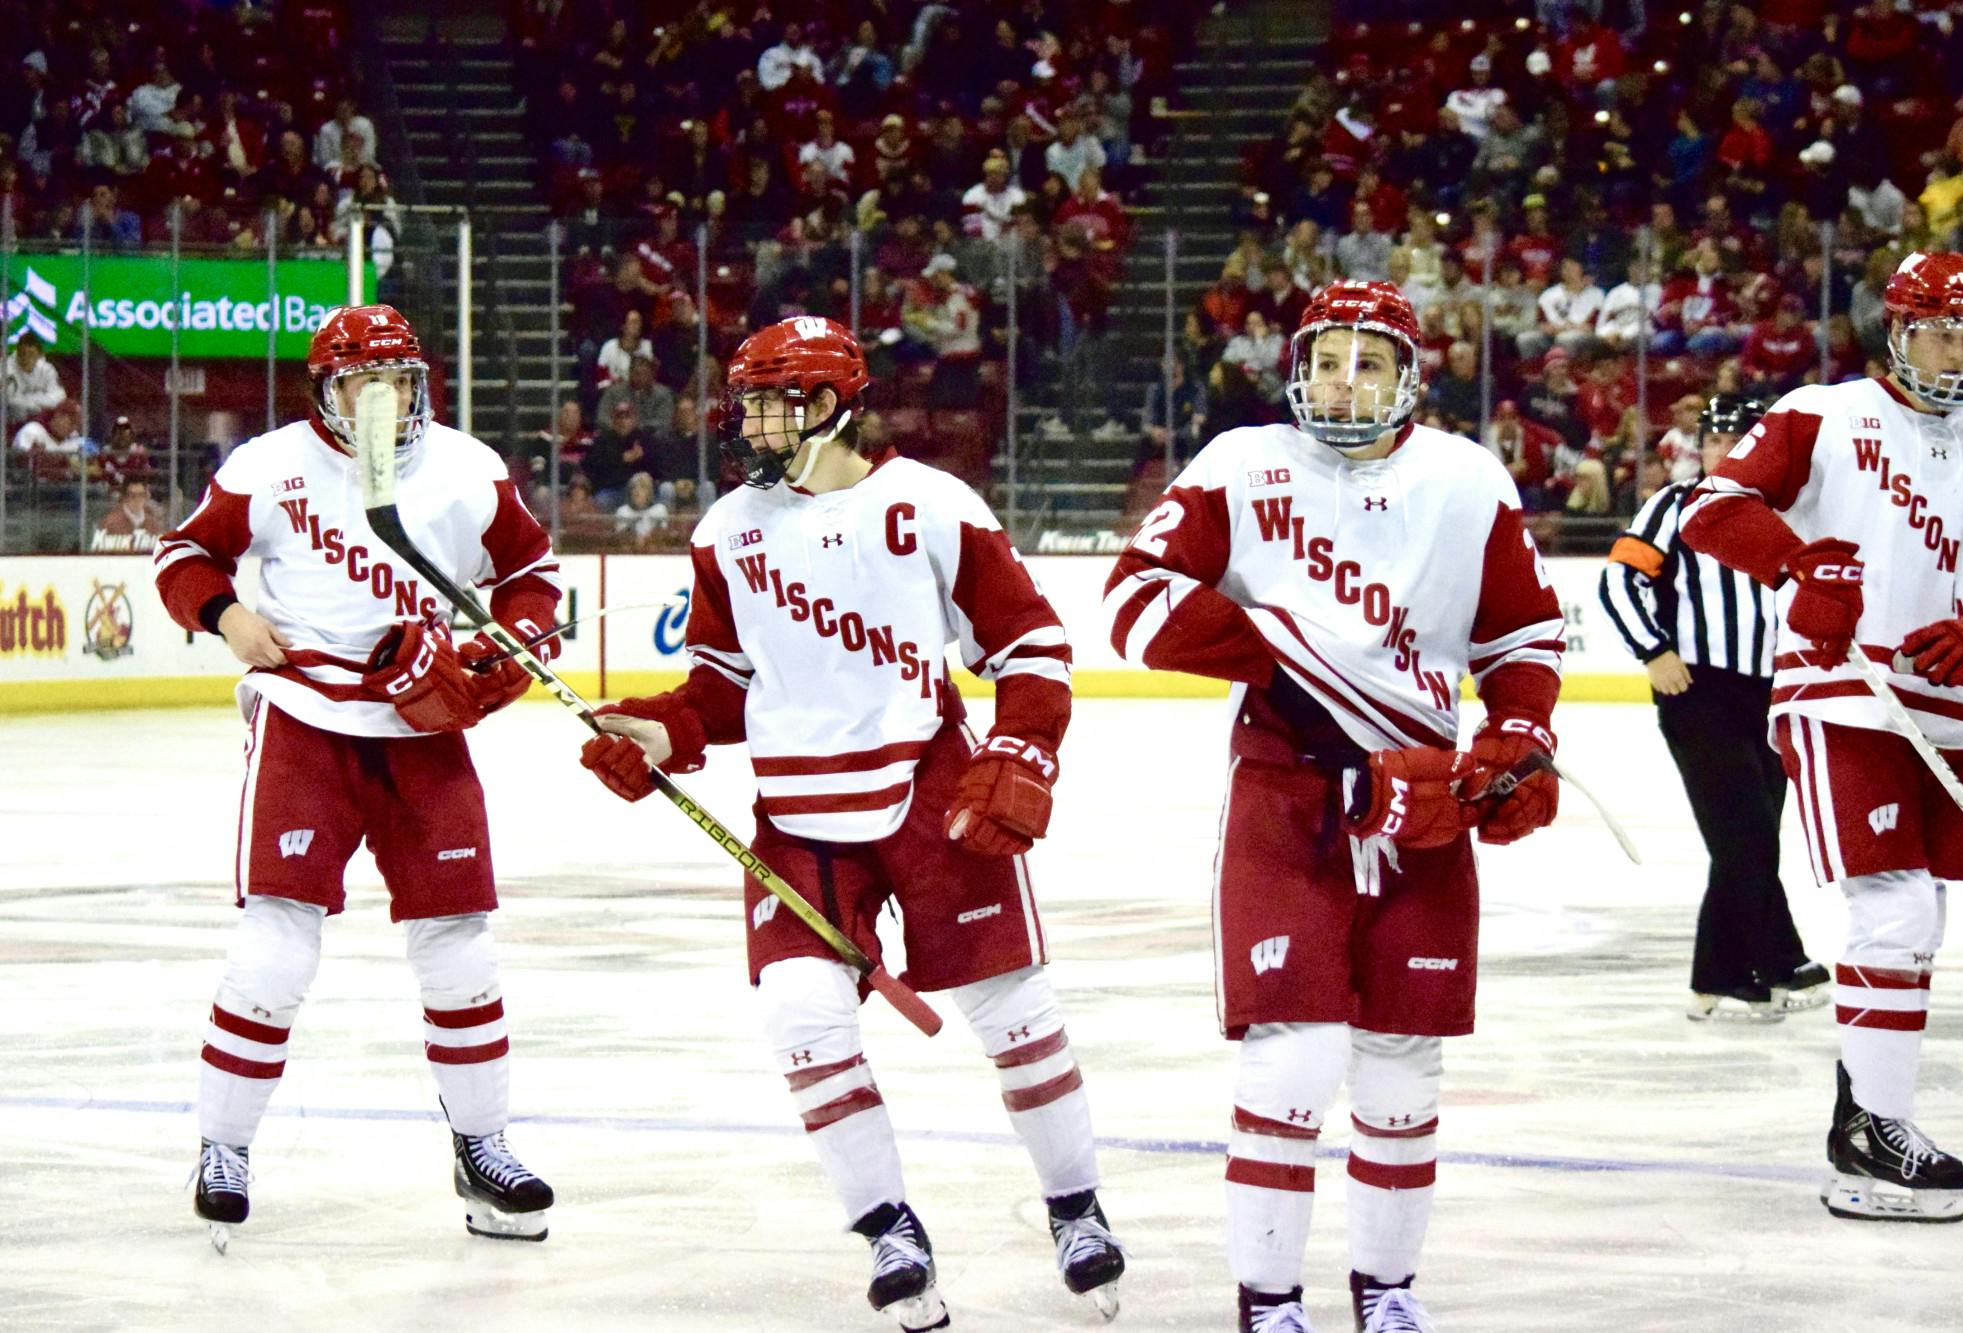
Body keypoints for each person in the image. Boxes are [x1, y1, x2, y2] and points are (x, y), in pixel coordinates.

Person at [573, 316, 1126, 1329]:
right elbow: (725, 690)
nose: (751, 421)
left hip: (930, 794)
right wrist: (658, 731)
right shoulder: (727, 530)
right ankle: (887, 1228)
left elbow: (1032, 644)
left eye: (772, 401)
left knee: (1013, 1015)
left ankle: (1076, 1209)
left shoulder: (927, 504)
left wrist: (1020, 749)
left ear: (829, 405)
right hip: (797, 816)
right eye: (746, 401)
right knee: (798, 1014)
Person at [1103, 281, 1564, 1332]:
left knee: (1403, 1063)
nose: (1338, 381)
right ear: (1293, 369)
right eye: (1322, 360)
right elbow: (1133, 602)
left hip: (1425, 800)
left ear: (1408, 377)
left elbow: (1524, 637)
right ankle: (1267, 1300)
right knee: (1292, 1053)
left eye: (1365, 363)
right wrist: (1288, 660)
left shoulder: (1465, 479)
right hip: (1285, 790)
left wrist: (1520, 735)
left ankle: (1386, 1291)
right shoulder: (1239, 462)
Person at [152, 305, 563, 1250]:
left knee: (460, 941)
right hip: (307, 721)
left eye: (402, 381)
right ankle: (223, 1146)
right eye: (363, 384)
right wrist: (224, 618)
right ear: (325, 392)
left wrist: (512, 640)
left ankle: (484, 1146)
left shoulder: (468, 468)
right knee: (276, 945)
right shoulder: (268, 465)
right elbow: (185, 554)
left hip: (425, 731)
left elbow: (533, 574)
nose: (387, 401)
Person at [1680, 252, 1963, 1224]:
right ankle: (1873, 1128)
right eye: (1942, 326)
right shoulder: (1822, 413)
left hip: (1938, 707)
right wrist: (1793, 570)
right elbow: (1711, 509)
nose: (1958, 346)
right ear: (1895, 328)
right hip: (1840, 690)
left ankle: (1863, 1111)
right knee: (1892, 912)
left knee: (1921, 922)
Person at [1599, 394, 1829, 1022]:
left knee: (1750, 837)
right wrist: (1654, 650)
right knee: (1744, 835)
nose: (1722, 451)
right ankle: (1757, 966)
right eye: (1713, 439)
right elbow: (1619, 580)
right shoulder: (1673, 507)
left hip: (1773, 694)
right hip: (1699, 691)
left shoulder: (1785, 515)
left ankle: (1745, 970)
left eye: (1737, 439)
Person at [93, 478, 167, 552]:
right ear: (124, 497)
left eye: (141, 495)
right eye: (132, 495)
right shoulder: (110, 523)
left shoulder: (152, 524)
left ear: (146, 496)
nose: (137, 499)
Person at [4, 331, 66, 419]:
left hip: (39, 418)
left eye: (31, 354)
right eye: (22, 353)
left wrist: (30, 398)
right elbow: (13, 403)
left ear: (39, 355)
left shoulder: (47, 369)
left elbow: (60, 397)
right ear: (17, 351)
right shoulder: (6, 369)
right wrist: (41, 398)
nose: (26, 358)